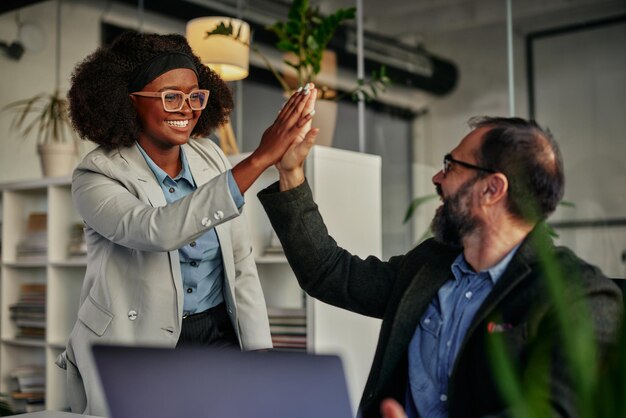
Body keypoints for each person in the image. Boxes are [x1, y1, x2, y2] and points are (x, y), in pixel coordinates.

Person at [258, 116, 623, 418]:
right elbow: (330, 273)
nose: (437, 178)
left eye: (452, 166)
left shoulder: (579, 295)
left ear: (493, 189)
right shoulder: (430, 265)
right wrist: (291, 174)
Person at [54, 31, 317, 416]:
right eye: (170, 97)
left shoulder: (209, 154)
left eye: (195, 96)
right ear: (128, 100)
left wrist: (259, 347)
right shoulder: (97, 174)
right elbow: (155, 229)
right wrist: (260, 160)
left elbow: (239, 262)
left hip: (217, 332)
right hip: (136, 341)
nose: (187, 109)